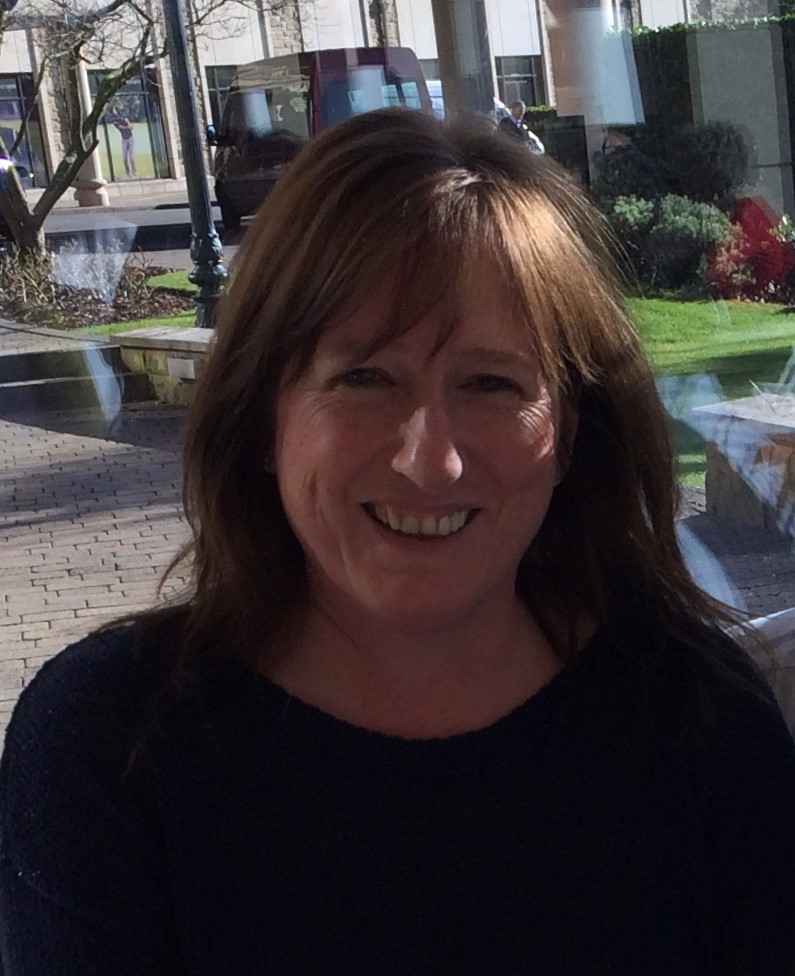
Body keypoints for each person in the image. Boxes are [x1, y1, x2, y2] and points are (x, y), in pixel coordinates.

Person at [1, 108, 795, 974]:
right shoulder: (106, 748)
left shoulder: (702, 724)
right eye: (366, 377)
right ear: (263, 419)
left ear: (569, 433)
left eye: (490, 384)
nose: (430, 460)